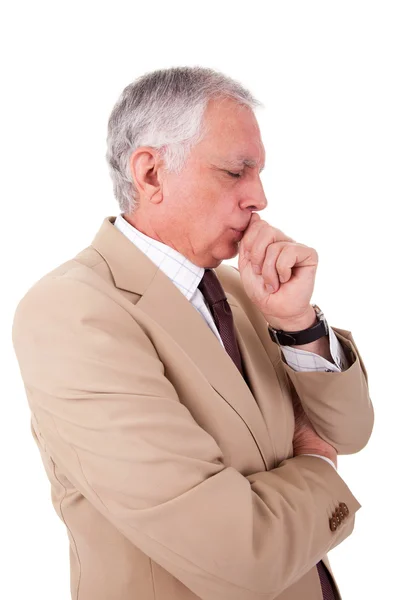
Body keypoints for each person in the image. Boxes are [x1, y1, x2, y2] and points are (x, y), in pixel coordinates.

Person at [12, 66, 374, 600]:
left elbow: (352, 429)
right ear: (151, 173)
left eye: (260, 173)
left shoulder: (243, 290)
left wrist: (297, 326)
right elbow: (239, 557)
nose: (260, 198)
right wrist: (317, 464)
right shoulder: (72, 311)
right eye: (236, 172)